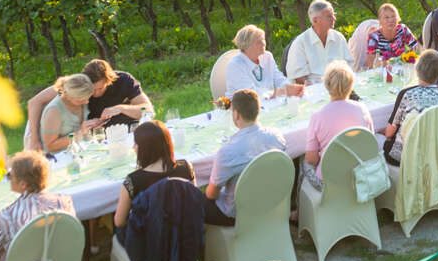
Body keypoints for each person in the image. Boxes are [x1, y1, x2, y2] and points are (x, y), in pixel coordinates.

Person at [114, 120, 229, 231]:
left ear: (143, 148)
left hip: (150, 241)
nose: (134, 147)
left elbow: (119, 222)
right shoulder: (186, 167)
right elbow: (194, 204)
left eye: (136, 143)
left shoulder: (133, 180)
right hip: (183, 235)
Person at [0, 152, 74, 261]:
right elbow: (70, 239)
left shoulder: (4, 218)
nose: (8, 179)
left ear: (23, 184)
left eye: (10, 175)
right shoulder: (64, 203)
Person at [26, 60, 154, 151]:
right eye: (92, 90)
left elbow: (148, 110)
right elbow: (34, 102)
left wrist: (121, 108)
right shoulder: (78, 86)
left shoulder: (123, 80)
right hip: (95, 143)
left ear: (109, 80)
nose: (95, 94)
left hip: (129, 136)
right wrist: (34, 140)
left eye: (100, 88)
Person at [205, 89, 287, 221]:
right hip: (270, 202)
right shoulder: (276, 136)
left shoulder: (227, 152)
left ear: (236, 115)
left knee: (195, 199)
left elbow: (211, 194)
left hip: (237, 214)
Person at [303, 61, 373, 188]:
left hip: (329, 182)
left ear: (327, 85)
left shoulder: (317, 116)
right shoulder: (362, 109)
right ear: (351, 85)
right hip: (359, 177)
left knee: (303, 161)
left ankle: (301, 205)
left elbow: (311, 159)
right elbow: (369, 143)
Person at [382, 51, 438, 164]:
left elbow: (389, 133)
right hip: (431, 153)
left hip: (404, 156)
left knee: (376, 138)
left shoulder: (407, 94)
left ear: (417, 70)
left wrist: (379, 130)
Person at [286, 0, 354, 85]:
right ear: (315, 20)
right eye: (329, 16)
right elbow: (298, 77)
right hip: (313, 91)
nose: (334, 19)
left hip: (339, 88)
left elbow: (350, 66)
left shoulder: (339, 38)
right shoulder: (300, 42)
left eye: (334, 15)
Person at [226, 25, 303, 99]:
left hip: (269, 103)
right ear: (246, 46)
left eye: (263, 39)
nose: (263, 44)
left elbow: (279, 79)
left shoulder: (267, 56)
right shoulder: (235, 65)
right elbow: (251, 94)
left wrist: (292, 88)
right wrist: (283, 91)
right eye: (259, 42)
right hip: (242, 107)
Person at [40, 74, 94, 154]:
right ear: (68, 96)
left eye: (88, 98)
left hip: (82, 152)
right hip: (61, 158)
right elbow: (50, 146)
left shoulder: (81, 102)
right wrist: (80, 132)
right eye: (81, 100)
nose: (86, 102)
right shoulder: (54, 111)